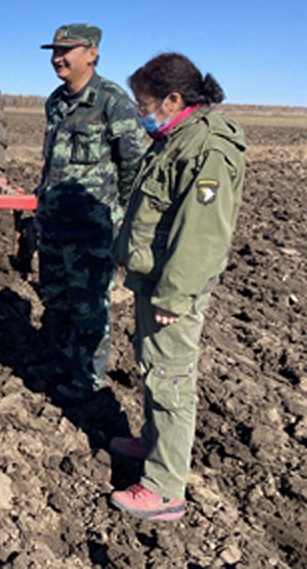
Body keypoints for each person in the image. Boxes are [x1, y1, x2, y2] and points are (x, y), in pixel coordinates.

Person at [109, 53, 246, 521]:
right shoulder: (175, 138)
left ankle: (165, 487)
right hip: (155, 277)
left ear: (173, 99)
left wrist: (174, 296)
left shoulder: (207, 148)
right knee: (153, 366)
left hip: (174, 288)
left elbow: (203, 235)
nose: (139, 111)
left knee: (171, 378)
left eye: (144, 102)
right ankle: (150, 441)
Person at [32, 23, 147, 402]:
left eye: (66, 50)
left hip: (90, 230)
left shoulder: (112, 101)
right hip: (53, 225)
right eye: (54, 51)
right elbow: (53, 163)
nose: (57, 58)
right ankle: (61, 363)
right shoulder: (56, 101)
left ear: (92, 53)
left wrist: (116, 214)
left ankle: (87, 382)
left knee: (89, 308)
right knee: (56, 300)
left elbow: (133, 165)